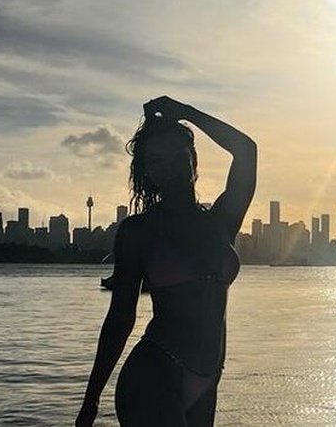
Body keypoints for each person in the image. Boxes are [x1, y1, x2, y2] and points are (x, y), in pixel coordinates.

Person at [76, 96, 257, 427]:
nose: (168, 168)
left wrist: (186, 113)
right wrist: (90, 402)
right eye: (156, 161)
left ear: (194, 160)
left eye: (177, 156)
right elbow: (120, 318)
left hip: (206, 382)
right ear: (147, 171)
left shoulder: (222, 221)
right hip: (152, 378)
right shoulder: (138, 232)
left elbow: (246, 151)